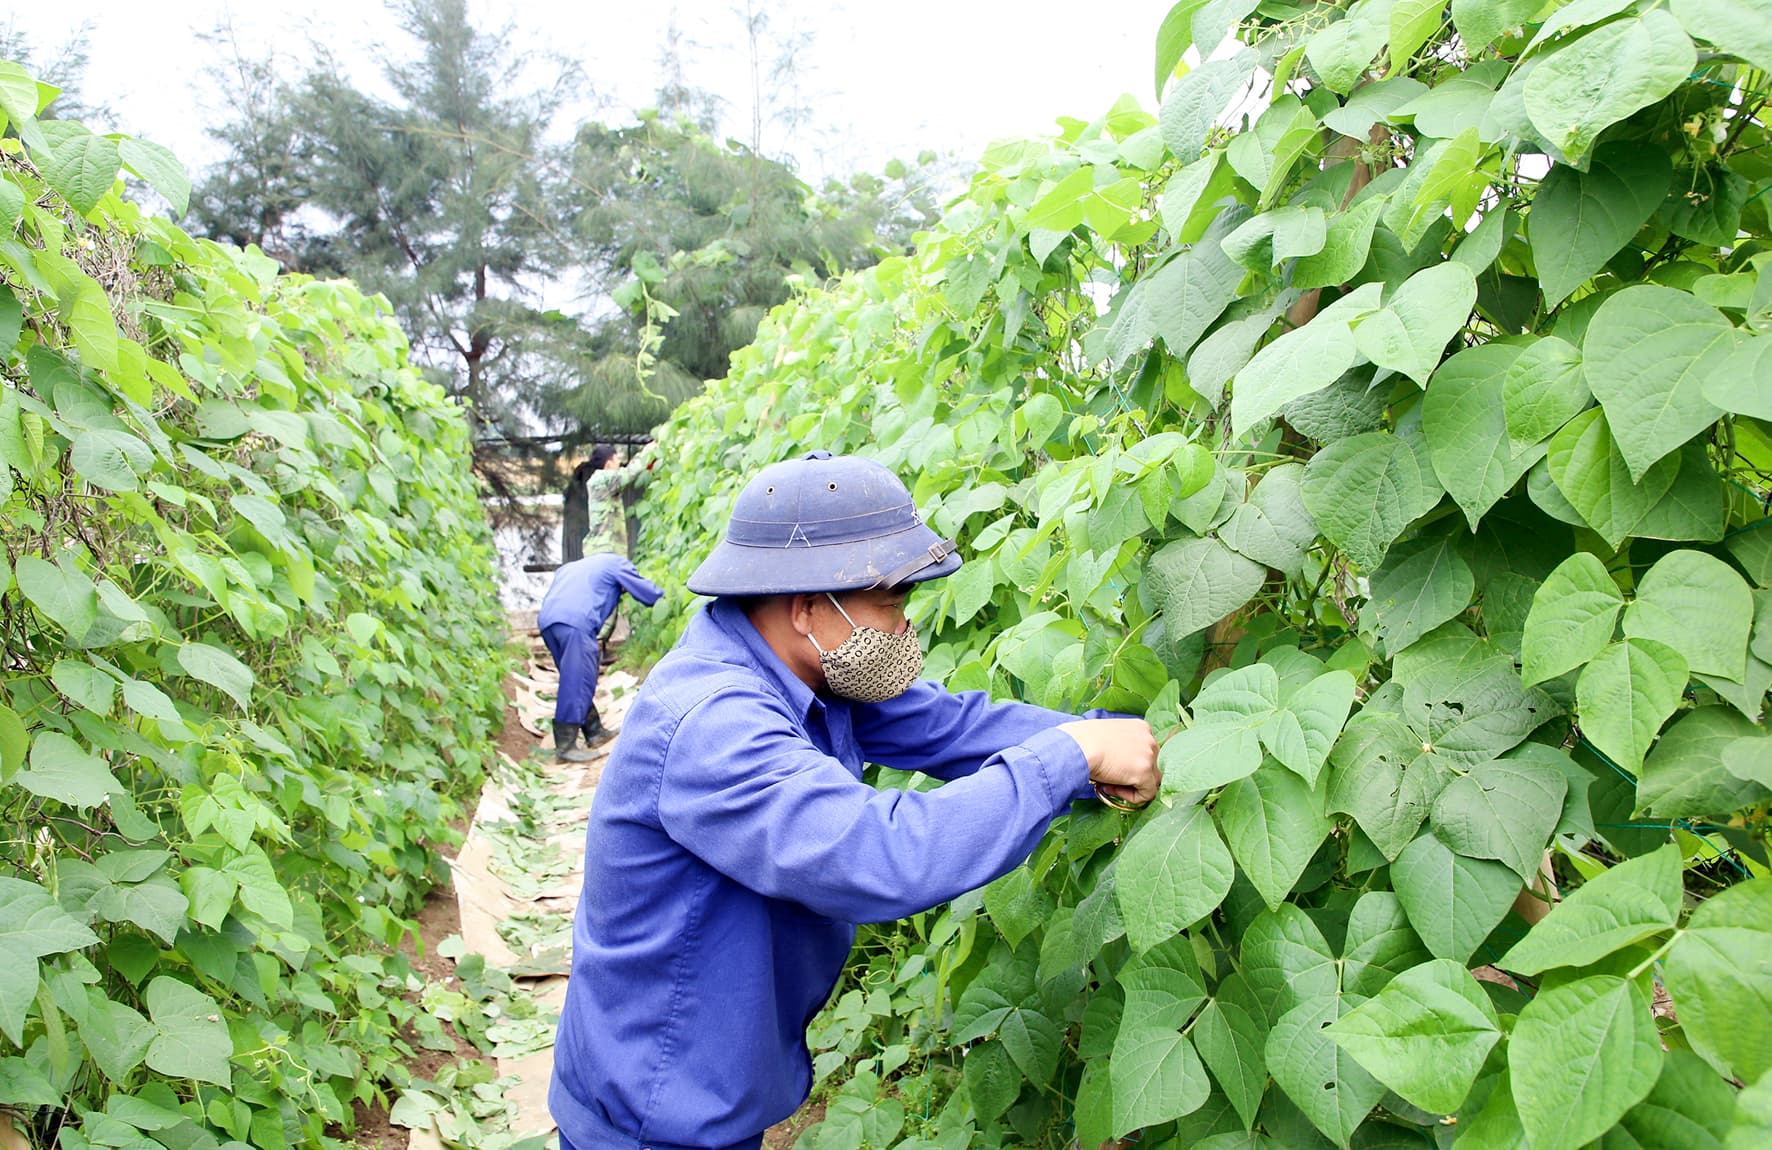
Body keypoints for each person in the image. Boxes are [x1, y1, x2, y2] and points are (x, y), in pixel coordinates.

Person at [548, 451, 1161, 1149]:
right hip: (650, 1109)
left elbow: (951, 724)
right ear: (807, 607)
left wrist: (1107, 737)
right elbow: (880, 854)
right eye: (891, 603)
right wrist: (1069, 757)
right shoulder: (711, 722)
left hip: (711, 1080)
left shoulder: (801, 668)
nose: (905, 628)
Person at [537, 552, 664, 762]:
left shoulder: (574, 567)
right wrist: (670, 598)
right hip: (576, 623)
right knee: (579, 681)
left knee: (574, 678)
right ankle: (565, 746)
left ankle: (594, 731)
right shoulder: (617, 564)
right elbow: (650, 595)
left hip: (549, 622)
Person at [580, 444, 630, 558]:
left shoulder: (598, 481)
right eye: (616, 459)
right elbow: (630, 473)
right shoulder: (604, 478)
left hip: (597, 551)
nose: (619, 463)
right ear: (608, 464)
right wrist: (648, 451)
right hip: (606, 551)